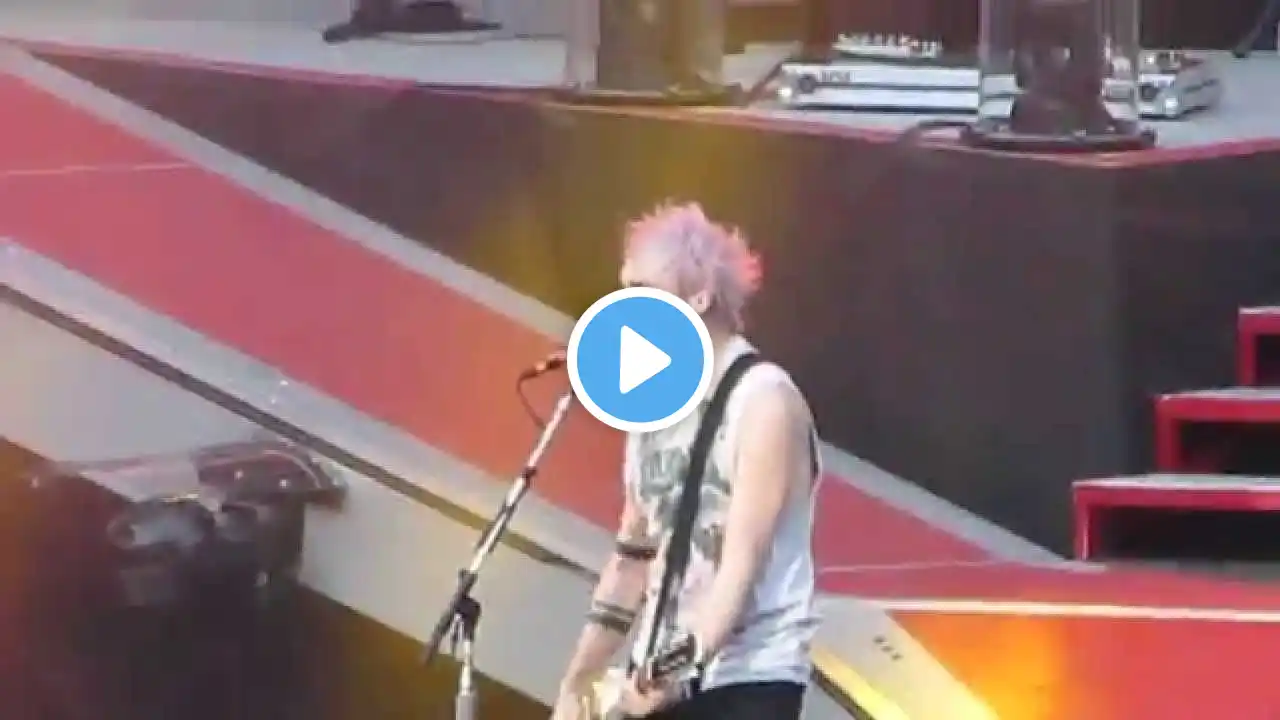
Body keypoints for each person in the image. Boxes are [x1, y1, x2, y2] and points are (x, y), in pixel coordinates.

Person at [550, 202, 821, 720]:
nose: (626, 307)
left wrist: (674, 671)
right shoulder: (651, 405)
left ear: (700, 294)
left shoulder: (764, 400)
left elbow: (740, 566)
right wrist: (577, 680)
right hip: (661, 670)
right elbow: (632, 557)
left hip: (746, 680)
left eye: (642, 290)